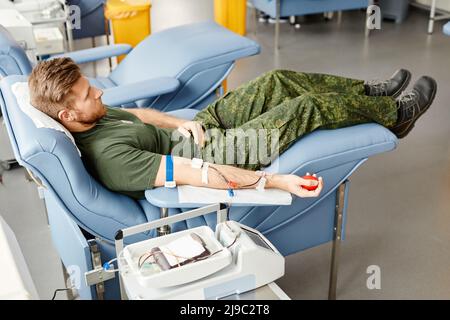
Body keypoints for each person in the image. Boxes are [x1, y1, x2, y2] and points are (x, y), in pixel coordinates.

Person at [28, 58, 437, 200]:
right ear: (67, 116)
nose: (98, 92)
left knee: (274, 80)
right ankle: (396, 117)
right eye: (87, 94)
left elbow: (139, 116)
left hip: (194, 133)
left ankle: (369, 92)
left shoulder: (95, 113)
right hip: (210, 156)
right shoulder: (109, 159)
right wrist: (275, 181)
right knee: (305, 107)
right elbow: (198, 174)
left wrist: (182, 121)